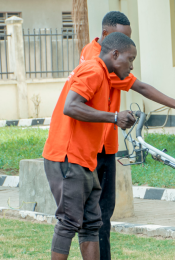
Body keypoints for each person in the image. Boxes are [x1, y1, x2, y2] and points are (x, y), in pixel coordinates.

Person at [80, 11, 175, 260]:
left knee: (103, 214)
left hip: (106, 145)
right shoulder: (99, 62)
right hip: (92, 149)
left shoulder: (99, 54)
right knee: (96, 218)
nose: (128, 55)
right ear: (108, 39)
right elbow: (142, 87)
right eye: (122, 42)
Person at [42, 32, 137, 260]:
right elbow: (71, 106)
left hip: (85, 160)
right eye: (130, 59)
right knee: (69, 222)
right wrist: (114, 117)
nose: (132, 66)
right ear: (115, 54)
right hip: (68, 157)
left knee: (92, 223)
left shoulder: (104, 75)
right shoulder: (93, 70)